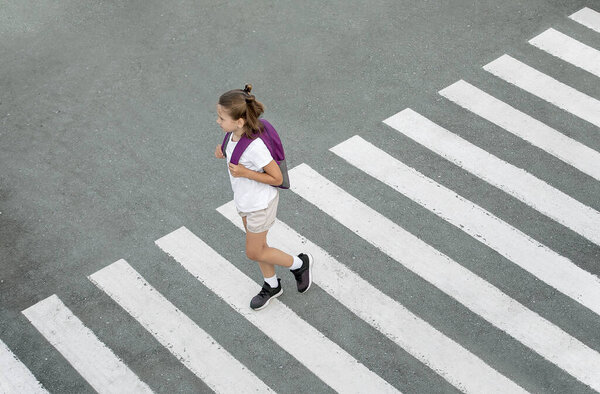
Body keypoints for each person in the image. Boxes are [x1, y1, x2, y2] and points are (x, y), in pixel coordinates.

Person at [214, 84, 313, 310]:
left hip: (260, 204)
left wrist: (245, 172)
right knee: (260, 247)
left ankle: (299, 264)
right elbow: (234, 155)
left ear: (239, 121)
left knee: (254, 251)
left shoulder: (255, 147)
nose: (218, 121)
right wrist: (222, 152)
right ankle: (272, 285)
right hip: (245, 201)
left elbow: (277, 178)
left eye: (221, 117)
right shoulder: (232, 135)